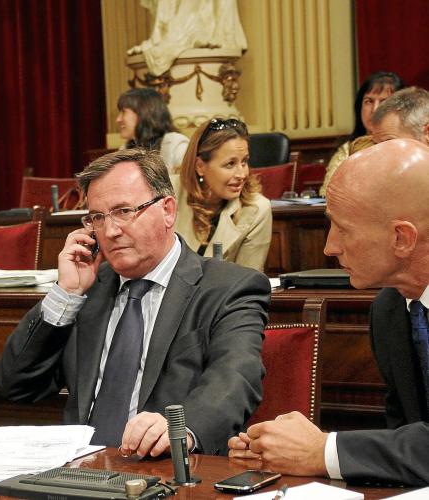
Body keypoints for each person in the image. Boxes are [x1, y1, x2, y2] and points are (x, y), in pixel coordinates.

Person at [0, 148, 270, 456]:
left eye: (124, 211)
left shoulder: (229, 288)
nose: (111, 231)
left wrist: (181, 429)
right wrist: (66, 293)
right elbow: (15, 385)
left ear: (167, 210)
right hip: (79, 470)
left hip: (163, 468)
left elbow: (235, 378)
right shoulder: (87, 291)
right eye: (98, 218)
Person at [228, 139, 429, 486]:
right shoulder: (390, 311)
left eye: (344, 229)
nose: (329, 247)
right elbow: (406, 437)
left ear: (401, 238)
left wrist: (323, 451)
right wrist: (287, 449)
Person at [171, 118, 271, 271]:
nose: (242, 174)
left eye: (244, 162)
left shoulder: (257, 209)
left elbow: (249, 280)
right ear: (200, 166)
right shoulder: (168, 193)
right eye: (230, 164)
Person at [320, 71, 403, 196]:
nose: (375, 109)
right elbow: (328, 194)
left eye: (384, 102)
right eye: (369, 101)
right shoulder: (347, 150)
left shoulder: (408, 147)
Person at [116, 88, 189, 173]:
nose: (118, 119)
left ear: (143, 113)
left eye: (123, 112)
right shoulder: (124, 149)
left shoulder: (176, 145)